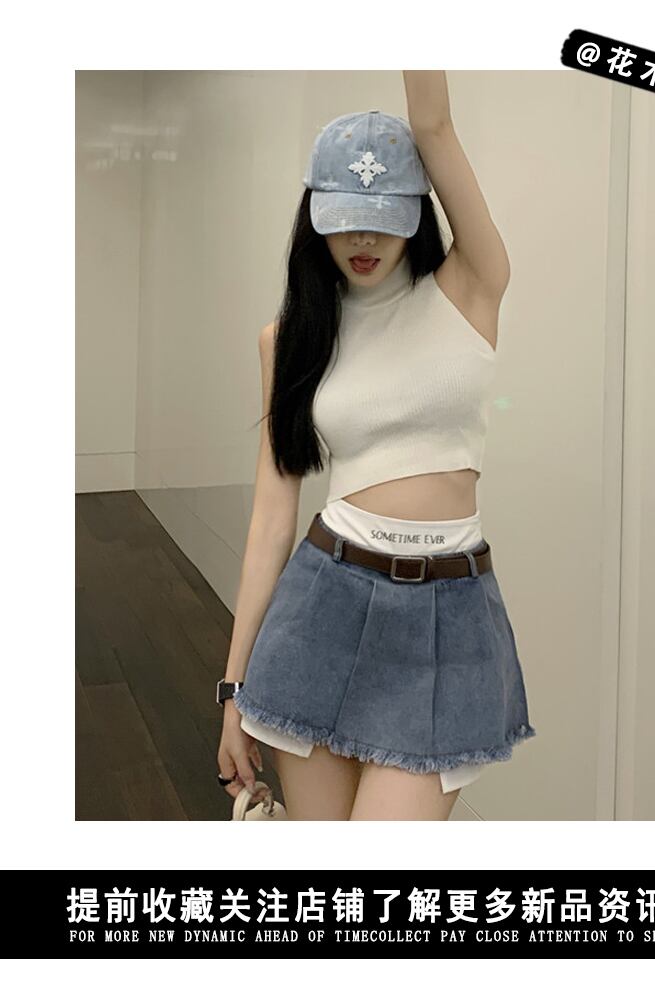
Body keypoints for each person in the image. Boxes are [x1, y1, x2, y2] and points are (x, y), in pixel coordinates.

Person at [216, 71, 536, 820]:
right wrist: (232, 688)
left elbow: (434, 125)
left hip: (447, 620)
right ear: (314, 217)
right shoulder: (289, 340)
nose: (363, 241)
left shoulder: (470, 287)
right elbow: (271, 521)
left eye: (384, 219)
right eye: (345, 220)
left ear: (417, 213)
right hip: (322, 607)